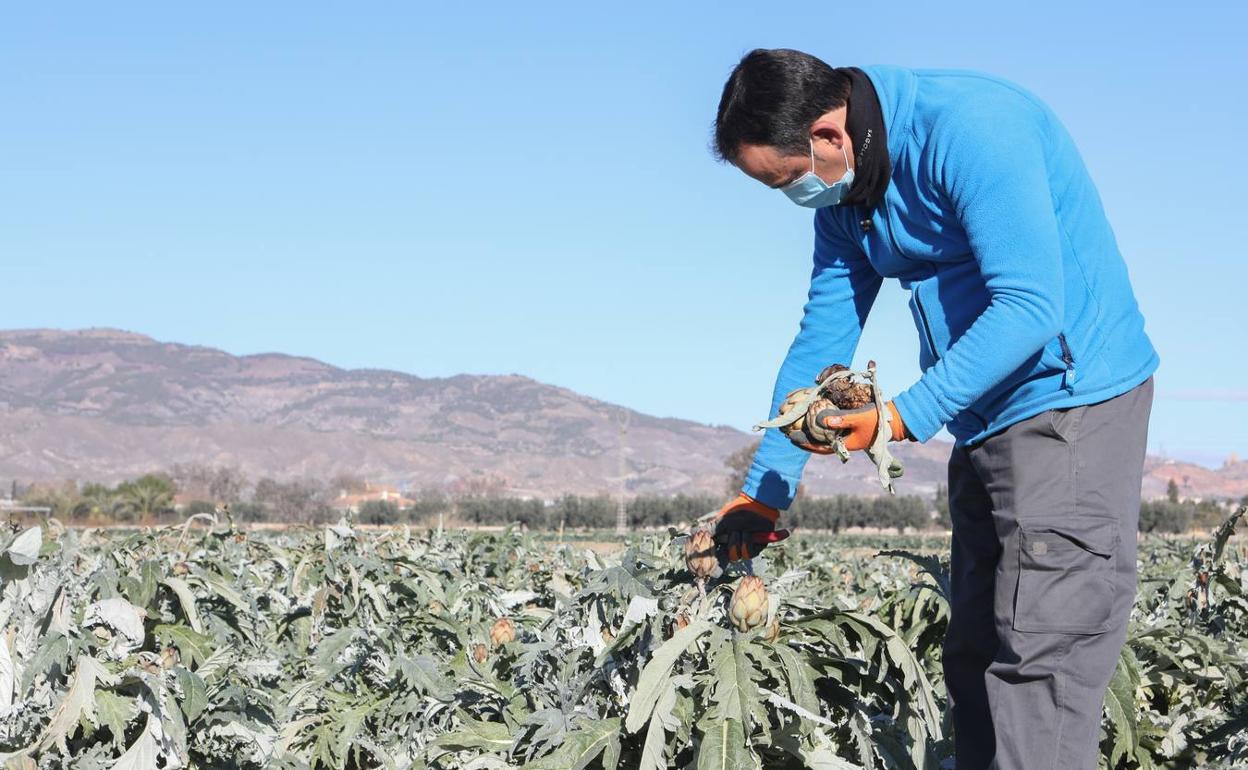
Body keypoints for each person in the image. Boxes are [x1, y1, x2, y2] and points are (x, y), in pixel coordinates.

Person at [708, 49, 1157, 769]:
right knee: (976, 656)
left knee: (1042, 666)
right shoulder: (849, 196)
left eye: (786, 181)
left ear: (828, 135)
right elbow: (822, 341)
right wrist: (765, 494)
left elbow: (1030, 307)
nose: (791, 198)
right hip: (983, 416)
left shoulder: (976, 129)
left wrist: (900, 417)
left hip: (1072, 404)